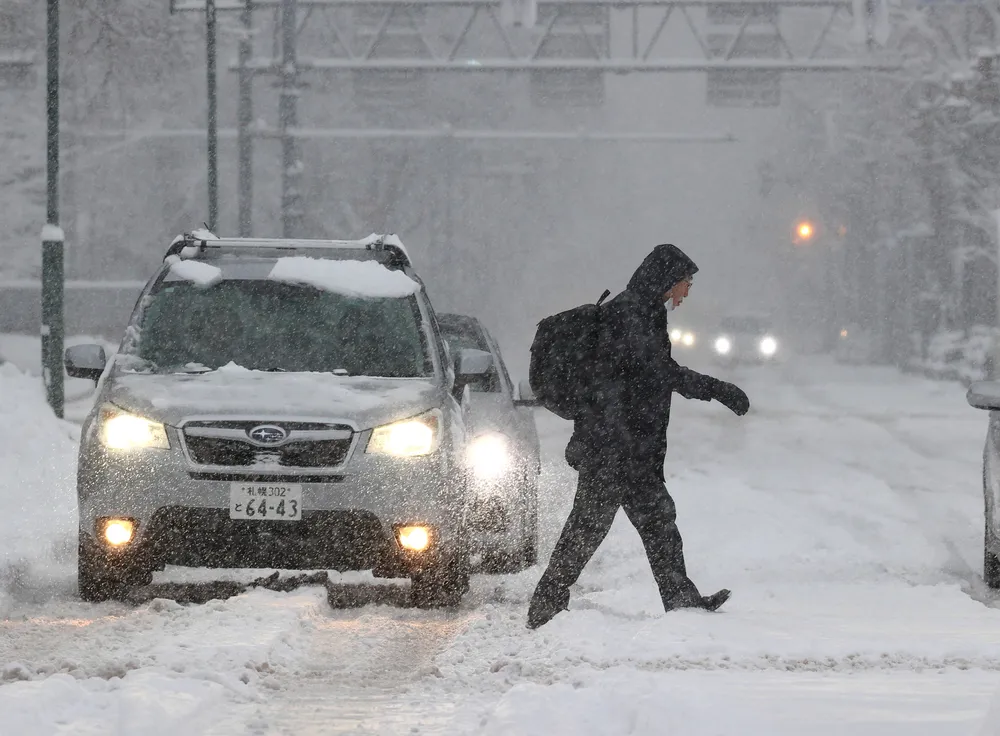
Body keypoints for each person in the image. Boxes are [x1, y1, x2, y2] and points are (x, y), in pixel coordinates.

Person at [527, 243, 751, 630]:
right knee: (591, 526)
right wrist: (718, 389)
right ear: (668, 281)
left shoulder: (641, 312)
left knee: (653, 519)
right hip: (614, 445)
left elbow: (650, 373)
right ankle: (547, 602)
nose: (687, 292)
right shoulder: (632, 315)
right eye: (686, 283)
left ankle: (678, 597)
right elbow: (659, 373)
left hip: (624, 444)